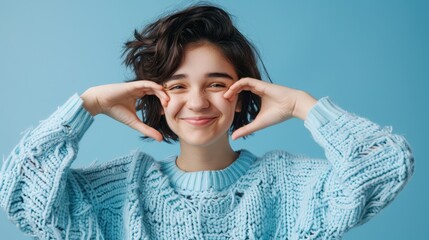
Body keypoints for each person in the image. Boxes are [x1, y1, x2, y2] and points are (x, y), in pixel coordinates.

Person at [0, 4, 414, 240]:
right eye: (177, 86)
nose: (197, 101)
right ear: (155, 98)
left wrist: (305, 106)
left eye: (217, 83)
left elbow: (385, 166)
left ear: (245, 91)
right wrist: (86, 105)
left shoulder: (290, 185)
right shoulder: (119, 190)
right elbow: (19, 192)